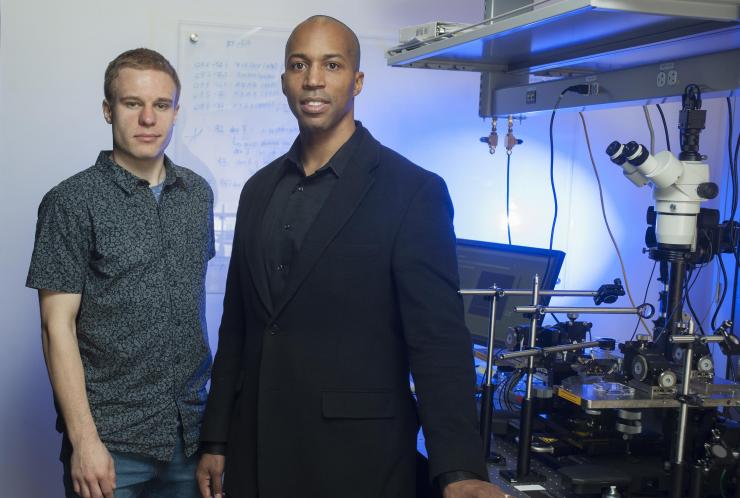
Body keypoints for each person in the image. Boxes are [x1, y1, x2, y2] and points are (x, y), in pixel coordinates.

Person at [197, 16, 508, 498]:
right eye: (299, 65)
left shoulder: (413, 191)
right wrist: (215, 437)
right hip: (255, 449)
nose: (313, 79)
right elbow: (236, 325)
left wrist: (460, 469)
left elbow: (438, 342)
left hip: (360, 461)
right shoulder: (257, 189)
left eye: (332, 64)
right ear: (285, 81)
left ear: (357, 80)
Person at [26, 48, 215, 498]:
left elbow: (190, 307)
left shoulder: (197, 194)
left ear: (175, 113)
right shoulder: (71, 202)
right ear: (108, 110)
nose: (148, 118)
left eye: (161, 105)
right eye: (133, 104)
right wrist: (84, 441)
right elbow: (57, 328)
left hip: (189, 435)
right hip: (111, 443)